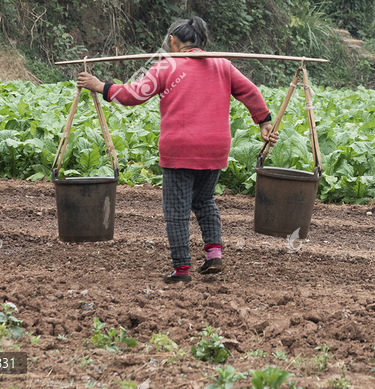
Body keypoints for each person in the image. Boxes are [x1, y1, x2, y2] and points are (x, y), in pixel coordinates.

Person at [77, 17, 279, 284]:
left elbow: (133, 95)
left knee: (176, 210)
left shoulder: (166, 66)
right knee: (204, 200)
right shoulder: (223, 65)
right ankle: (214, 254)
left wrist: (100, 86)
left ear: (172, 41)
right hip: (215, 148)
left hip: (180, 148)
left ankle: (181, 269)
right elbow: (250, 92)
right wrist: (264, 121)